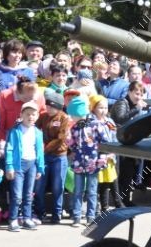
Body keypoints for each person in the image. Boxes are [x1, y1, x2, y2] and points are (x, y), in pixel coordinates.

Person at [67, 95, 112, 227]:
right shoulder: (74, 128)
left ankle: (91, 216)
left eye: (73, 115)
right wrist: (70, 143)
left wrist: (103, 157)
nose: (72, 118)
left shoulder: (96, 125)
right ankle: (76, 216)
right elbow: (74, 146)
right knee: (78, 190)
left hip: (94, 163)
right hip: (78, 163)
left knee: (92, 191)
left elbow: (105, 142)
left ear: (80, 112)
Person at [4, 101, 44, 232]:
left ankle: (27, 218)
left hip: (32, 165)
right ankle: (13, 219)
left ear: (37, 116)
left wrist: (40, 168)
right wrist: (9, 167)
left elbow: (40, 151)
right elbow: (9, 149)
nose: (30, 117)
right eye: (27, 114)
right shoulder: (14, 131)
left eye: (33, 114)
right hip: (18, 165)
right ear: (21, 114)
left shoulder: (38, 132)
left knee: (28, 194)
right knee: (16, 195)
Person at [36, 90, 71, 224]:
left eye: (52, 106)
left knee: (58, 186)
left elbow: (61, 138)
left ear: (58, 107)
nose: (48, 108)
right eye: (47, 106)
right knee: (39, 185)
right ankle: (39, 212)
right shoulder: (43, 117)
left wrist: (45, 148)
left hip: (59, 156)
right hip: (44, 156)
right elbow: (35, 128)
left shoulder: (64, 118)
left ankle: (56, 213)